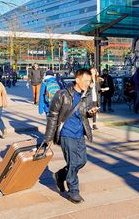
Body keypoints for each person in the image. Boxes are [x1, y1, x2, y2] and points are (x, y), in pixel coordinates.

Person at [43, 68, 98, 204]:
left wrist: (91, 112)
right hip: (66, 134)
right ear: (77, 79)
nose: (87, 83)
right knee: (73, 163)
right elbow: (52, 116)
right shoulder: (62, 94)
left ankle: (60, 175)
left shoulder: (86, 95)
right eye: (86, 81)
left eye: (89, 81)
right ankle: (74, 191)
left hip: (80, 133)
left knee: (82, 161)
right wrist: (48, 138)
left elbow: (85, 112)